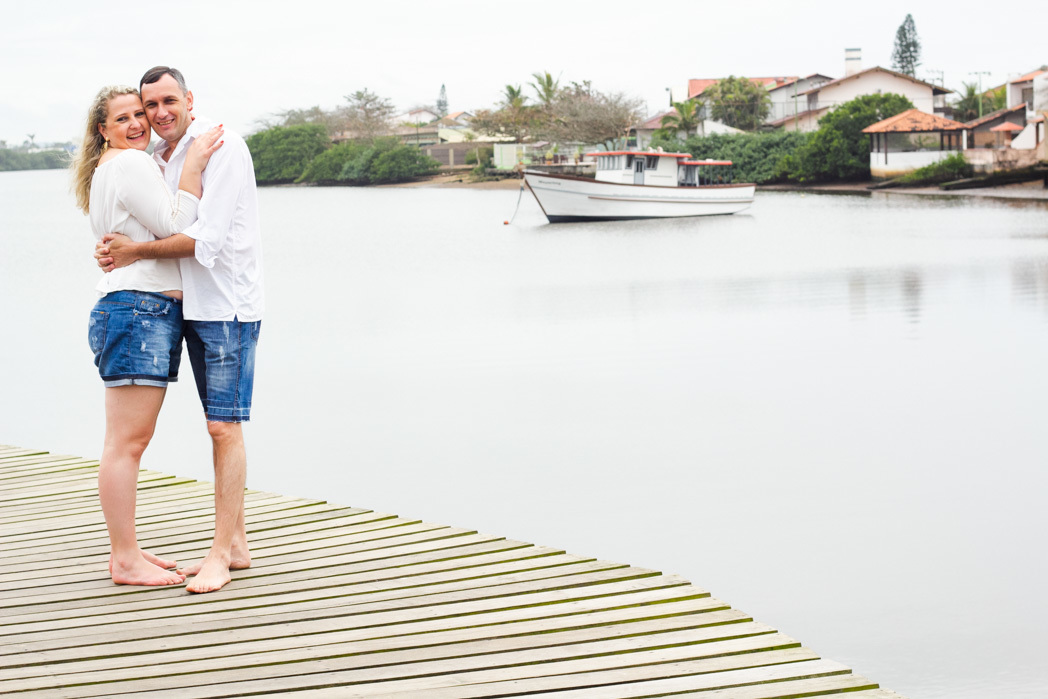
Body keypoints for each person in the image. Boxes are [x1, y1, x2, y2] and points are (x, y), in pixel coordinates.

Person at [95, 66, 265, 594]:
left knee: (223, 426)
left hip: (227, 306)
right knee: (180, 432)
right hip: (184, 309)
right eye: (148, 107)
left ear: (189, 98)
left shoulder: (221, 147)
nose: (157, 114)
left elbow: (203, 238)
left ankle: (221, 553)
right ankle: (232, 544)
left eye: (168, 101)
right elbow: (158, 219)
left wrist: (132, 250)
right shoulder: (155, 159)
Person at [71, 85, 223, 586]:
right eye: (124, 117)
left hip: (132, 307)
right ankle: (124, 558)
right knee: (127, 444)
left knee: (127, 441)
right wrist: (196, 168)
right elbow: (177, 223)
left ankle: (127, 551)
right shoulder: (129, 165)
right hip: (138, 310)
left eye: (142, 113)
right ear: (103, 129)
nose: (138, 122)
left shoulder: (112, 168)